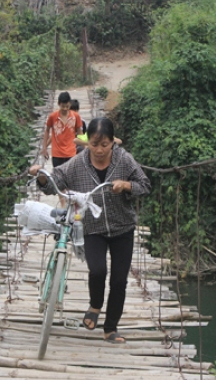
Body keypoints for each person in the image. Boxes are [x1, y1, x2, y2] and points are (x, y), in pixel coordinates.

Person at [30, 117, 151, 344]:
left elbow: (145, 184)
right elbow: (56, 179)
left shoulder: (124, 160)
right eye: (94, 144)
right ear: (88, 143)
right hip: (92, 228)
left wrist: (126, 185)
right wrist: (43, 177)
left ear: (113, 142)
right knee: (97, 271)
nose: (99, 150)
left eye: (104, 145)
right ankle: (95, 305)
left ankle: (110, 328)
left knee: (118, 281)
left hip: (122, 227)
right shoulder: (79, 163)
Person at [42, 91, 82, 168]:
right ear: (58, 104)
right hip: (57, 154)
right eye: (62, 106)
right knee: (58, 178)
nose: (65, 109)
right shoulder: (52, 117)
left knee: (71, 178)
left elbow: (80, 133)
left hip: (71, 153)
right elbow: (47, 131)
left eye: (67, 106)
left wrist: (85, 148)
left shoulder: (76, 117)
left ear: (70, 103)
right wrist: (44, 148)